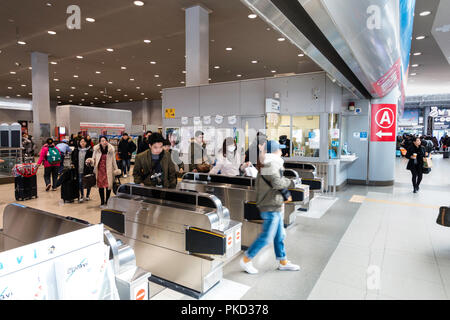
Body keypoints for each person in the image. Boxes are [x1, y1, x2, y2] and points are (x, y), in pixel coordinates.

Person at [240, 140, 300, 274]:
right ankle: (246, 260)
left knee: (279, 236)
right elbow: (277, 182)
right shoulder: (271, 164)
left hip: (274, 204)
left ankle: (283, 261)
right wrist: (292, 182)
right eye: (280, 149)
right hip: (269, 205)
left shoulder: (272, 163)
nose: (282, 152)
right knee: (266, 237)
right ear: (274, 151)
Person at [86, 136, 121, 208]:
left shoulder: (111, 150)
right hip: (100, 171)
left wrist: (116, 170)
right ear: (100, 142)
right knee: (101, 187)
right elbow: (94, 159)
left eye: (105, 140)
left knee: (108, 186)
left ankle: (107, 201)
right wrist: (90, 160)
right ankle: (102, 202)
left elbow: (114, 161)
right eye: (102, 141)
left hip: (109, 170)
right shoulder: (96, 149)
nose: (104, 142)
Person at [71, 137, 93, 203]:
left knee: (88, 182)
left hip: (87, 169)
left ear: (86, 143)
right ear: (79, 143)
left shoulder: (90, 151)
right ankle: (81, 195)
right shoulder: (76, 150)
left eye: (84, 141)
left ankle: (88, 195)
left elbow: (92, 160)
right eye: (81, 142)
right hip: (79, 169)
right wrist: (73, 164)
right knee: (80, 182)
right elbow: (73, 159)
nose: (82, 143)